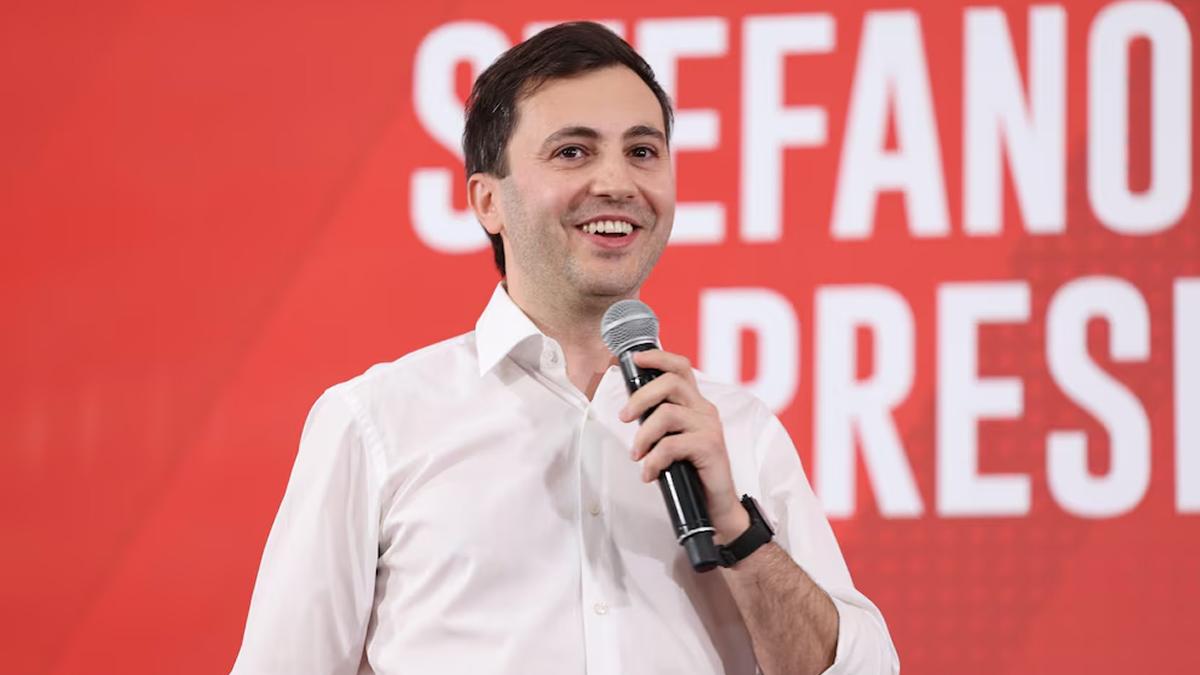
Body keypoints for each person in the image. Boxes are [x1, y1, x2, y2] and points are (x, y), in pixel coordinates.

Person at [232, 21, 898, 675]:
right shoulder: (376, 422)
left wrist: (738, 530)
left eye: (643, 151)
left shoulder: (736, 431)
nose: (617, 183)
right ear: (488, 201)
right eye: (573, 152)